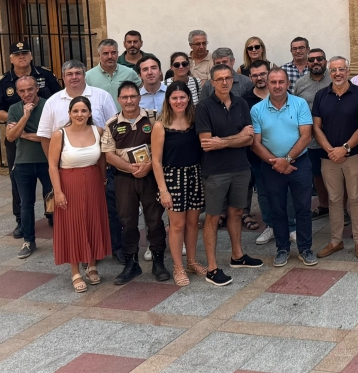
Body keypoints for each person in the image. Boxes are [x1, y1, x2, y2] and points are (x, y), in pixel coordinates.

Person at [36, 61, 120, 261]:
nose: (74, 77)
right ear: (63, 77)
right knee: (74, 217)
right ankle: (80, 255)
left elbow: (114, 129)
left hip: (99, 169)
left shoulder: (102, 96)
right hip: (67, 171)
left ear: (84, 75)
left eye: (78, 73)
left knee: (105, 213)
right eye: (69, 73)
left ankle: (112, 250)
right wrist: (55, 166)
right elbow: (45, 136)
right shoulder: (53, 102)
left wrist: (107, 168)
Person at [197, 64, 263, 286]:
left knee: (236, 212)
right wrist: (236, 138)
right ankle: (213, 267)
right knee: (213, 217)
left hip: (240, 167)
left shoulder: (241, 103)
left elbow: (249, 139)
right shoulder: (204, 107)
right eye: (220, 79)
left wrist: (222, 141)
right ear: (212, 82)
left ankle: (237, 255)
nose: (225, 82)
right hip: (215, 172)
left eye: (228, 78)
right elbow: (207, 144)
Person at [0, 42, 61, 239]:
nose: (21, 57)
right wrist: (17, 119)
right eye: (17, 54)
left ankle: (53, 215)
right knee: (19, 183)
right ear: (11, 59)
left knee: (51, 180)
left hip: (45, 139)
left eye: (25, 53)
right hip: (18, 143)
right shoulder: (4, 81)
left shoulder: (46, 76)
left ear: (31, 56)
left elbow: (58, 101)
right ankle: (21, 222)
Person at [102, 82, 170, 284]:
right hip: (124, 178)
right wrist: (131, 168)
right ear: (119, 100)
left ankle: (158, 262)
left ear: (139, 97)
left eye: (133, 96)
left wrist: (148, 166)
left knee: (155, 219)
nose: (129, 101)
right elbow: (108, 154)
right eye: (125, 97)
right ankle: (131, 264)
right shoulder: (112, 124)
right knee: (127, 221)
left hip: (150, 176)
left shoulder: (153, 117)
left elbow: (163, 145)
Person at [251, 68, 316, 268]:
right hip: (271, 167)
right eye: (273, 82)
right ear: (267, 84)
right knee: (277, 209)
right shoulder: (257, 110)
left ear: (288, 83)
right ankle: (282, 248)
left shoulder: (300, 104)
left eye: (281, 82)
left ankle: (305, 248)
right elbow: (255, 143)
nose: (277, 86)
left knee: (303, 208)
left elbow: (306, 135)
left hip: (300, 164)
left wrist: (286, 160)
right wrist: (276, 162)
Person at [48, 96, 113, 293]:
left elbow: (102, 159)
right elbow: (52, 165)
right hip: (69, 182)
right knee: (73, 224)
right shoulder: (60, 134)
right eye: (75, 111)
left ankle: (91, 264)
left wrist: (103, 180)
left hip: (93, 181)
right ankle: (75, 270)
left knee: (93, 221)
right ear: (69, 113)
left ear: (90, 113)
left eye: (84, 111)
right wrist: (58, 191)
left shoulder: (98, 130)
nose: (79, 114)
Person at [311, 56, 358, 258]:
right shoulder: (321, 96)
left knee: (355, 198)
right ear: (329, 71)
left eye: (341, 69)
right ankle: (336, 241)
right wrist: (330, 150)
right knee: (334, 200)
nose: (337, 73)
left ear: (348, 70)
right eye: (333, 70)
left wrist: (344, 148)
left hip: (353, 155)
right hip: (329, 157)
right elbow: (316, 127)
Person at [151, 81, 205, 287]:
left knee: (193, 223)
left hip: (194, 175)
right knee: (177, 225)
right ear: (168, 100)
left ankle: (191, 261)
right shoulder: (160, 125)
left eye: (182, 97)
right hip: (172, 177)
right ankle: (178, 266)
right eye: (174, 98)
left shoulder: (194, 121)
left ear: (189, 98)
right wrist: (163, 190)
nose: (179, 101)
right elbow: (155, 160)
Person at [6, 75, 53, 259]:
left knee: (55, 200)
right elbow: (10, 137)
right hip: (23, 163)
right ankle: (29, 241)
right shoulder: (14, 109)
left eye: (30, 89)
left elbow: (49, 136)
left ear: (37, 88)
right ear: (18, 92)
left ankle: (62, 236)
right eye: (23, 91)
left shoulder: (48, 105)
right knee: (26, 204)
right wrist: (25, 116)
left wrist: (24, 135)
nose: (27, 93)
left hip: (46, 161)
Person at [292, 49, 334, 220]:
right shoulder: (300, 84)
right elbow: (294, 107)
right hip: (310, 139)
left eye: (320, 59)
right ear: (307, 63)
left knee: (337, 174)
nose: (316, 62)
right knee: (317, 174)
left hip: (333, 136)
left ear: (325, 61)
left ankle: (342, 208)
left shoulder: (334, 79)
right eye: (312, 60)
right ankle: (324, 205)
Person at [242, 60, 280, 241]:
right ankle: (270, 226)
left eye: (262, 74)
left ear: (269, 74)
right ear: (250, 78)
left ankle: (290, 227)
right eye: (255, 75)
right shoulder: (244, 100)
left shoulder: (282, 94)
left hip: (284, 153)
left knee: (286, 193)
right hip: (257, 156)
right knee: (264, 192)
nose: (259, 78)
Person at [85, 39, 143, 111]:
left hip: (126, 120)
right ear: (99, 55)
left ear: (117, 54)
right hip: (100, 121)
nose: (110, 56)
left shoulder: (130, 73)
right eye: (105, 53)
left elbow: (142, 93)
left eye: (113, 53)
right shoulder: (88, 76)